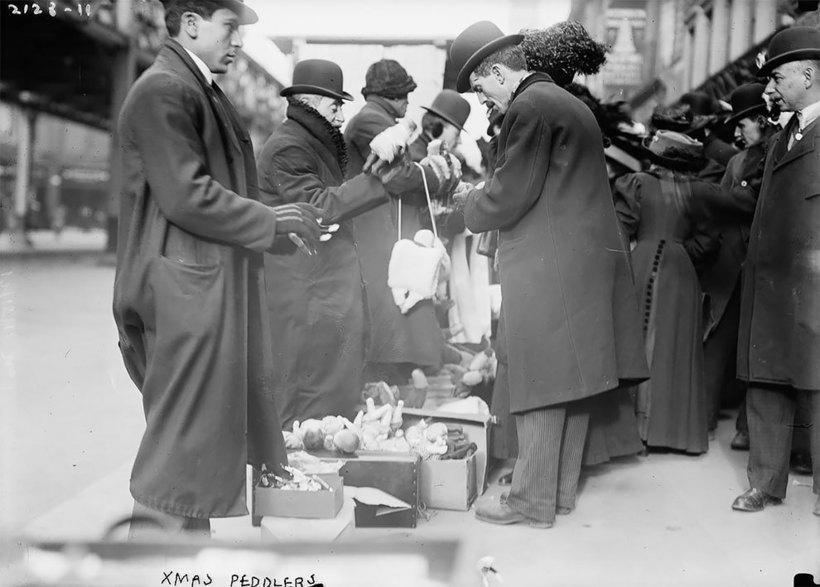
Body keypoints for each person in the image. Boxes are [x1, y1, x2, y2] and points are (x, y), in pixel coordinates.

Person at [112, 0, 322, 537]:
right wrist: (271, 222)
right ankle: (147, 567)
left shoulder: (196, 89)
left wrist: (275, 230)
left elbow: (221, 194)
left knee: (196, 449)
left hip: (199, 290)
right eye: (230, 27)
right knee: (179, 451)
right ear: (191, 23)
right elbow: (188, 196)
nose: (238, 41)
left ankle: (177, 565)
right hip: (183, 296)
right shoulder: (165, 89)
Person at [449, 21, 650, 528]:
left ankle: (530, 500)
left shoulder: (529, 106)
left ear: (497, 71)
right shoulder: (567, 101)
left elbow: (510, 193)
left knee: (540, 380)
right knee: (574, 380)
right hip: (582, 264)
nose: (483, 101)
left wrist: (467, 202)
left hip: (549, 266)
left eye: (480, 89)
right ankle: (558, 493)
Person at [256, 60, 398, 427]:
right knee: (309, 402)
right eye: (335, 105)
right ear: (311, 101)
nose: (340, 115)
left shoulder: (307, 142)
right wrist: (379, 182)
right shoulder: (289, 147)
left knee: (327, 397)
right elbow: (318, 206)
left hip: (319, 293)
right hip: (306, 297)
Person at [732, 27, 820, 516]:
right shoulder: (785, 133)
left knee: (817, 385)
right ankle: (764, 482)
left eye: (780, 76)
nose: (773, 87)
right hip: (770, 283)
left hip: (811, 285)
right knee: (765, 382)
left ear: (808, 76)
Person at [613, 130, 726, 455]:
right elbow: (708, 242)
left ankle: (635, 430)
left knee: (638, 343)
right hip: (680, 271)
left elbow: (622, 225)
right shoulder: (697, 192)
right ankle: (671, 432)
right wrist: (679, 251)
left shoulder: (637, 184)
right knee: (672, 346)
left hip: (642, 261)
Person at [344, 59, 455, 385]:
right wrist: (438, 172)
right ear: (389, 95)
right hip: (376, 236)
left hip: (383, 233)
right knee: (392, 328)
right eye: (404, 94)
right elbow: (396, 177)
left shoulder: (377, 119)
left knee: (399, 324)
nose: (408, 101)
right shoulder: (371, 121)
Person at [699, 83, 774, 446]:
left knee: (756, 351)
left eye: (743, 124)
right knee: (718, 341)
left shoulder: (776, 153)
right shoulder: (736, 162)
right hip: (731, 267)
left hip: (763, 267)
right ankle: (702, 418)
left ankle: (747, 429)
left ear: (762, 119)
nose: (738, 131)